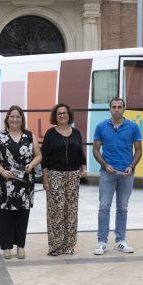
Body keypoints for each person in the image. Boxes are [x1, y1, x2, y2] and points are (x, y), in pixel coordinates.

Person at [0, 105, 42, 260]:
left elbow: (38, 155)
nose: (15, 119)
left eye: (18, 116)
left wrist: (31, 165)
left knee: (22, 216)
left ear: (22, 119)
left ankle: (20, 247)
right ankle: (6, 247)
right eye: (12, 116)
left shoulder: (29, 136)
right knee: (4, 216)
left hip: (25, 182)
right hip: (5, 182)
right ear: (7, 118)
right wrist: (1, 171)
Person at [92, 97, 142, 255]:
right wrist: (105, 165)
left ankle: (120, 241)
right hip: (107, 173)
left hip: (126, 174)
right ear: (109, 109)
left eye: (119, 107)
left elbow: (139, 150)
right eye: (113, 107)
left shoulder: (133, 127)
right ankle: (101, 242)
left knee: (122, 208)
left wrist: (131, 166)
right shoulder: (101, 126)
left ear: (124, 109)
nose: (116, 110)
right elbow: (95, 149)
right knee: (104, 207)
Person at [41, 102, 86, 256]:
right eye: (59, 113)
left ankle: (69, 245)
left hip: (73, 176)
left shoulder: (76, 133)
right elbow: (44, 159)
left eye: (64, 113)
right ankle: (55, 246)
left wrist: (83, 167)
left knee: (71, 211)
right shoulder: (50, 134)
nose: (62, 115)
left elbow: (80, 153)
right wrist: (45, 180)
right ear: (55, 116)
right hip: (55, 175)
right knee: (56, 211)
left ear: (69, 115)